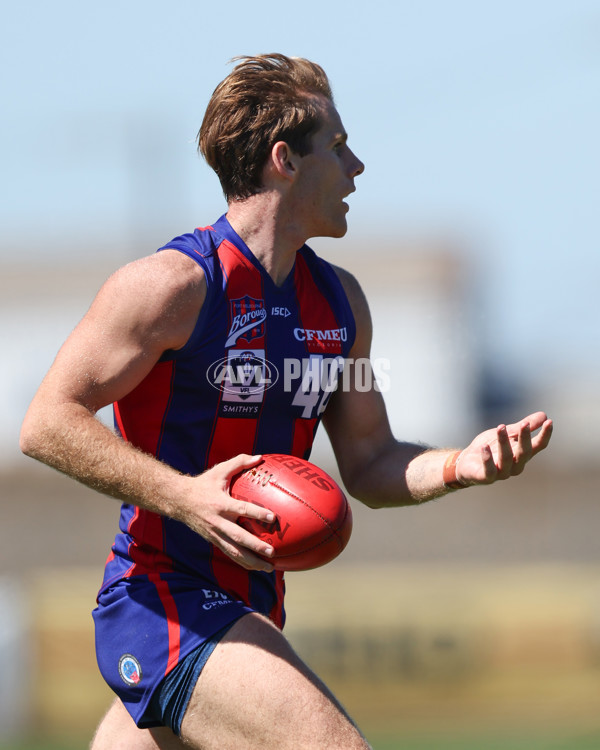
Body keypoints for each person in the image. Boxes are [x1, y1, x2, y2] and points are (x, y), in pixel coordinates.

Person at [20, 53, 553, 750]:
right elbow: (45, 422)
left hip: (251, 606)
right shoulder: (171, 287)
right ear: (285, 161)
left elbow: (371, 461)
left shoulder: (342, 305)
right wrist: (184, 497)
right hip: (163, 601)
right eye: (338, 146)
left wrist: (461, 464)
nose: (357, 167)